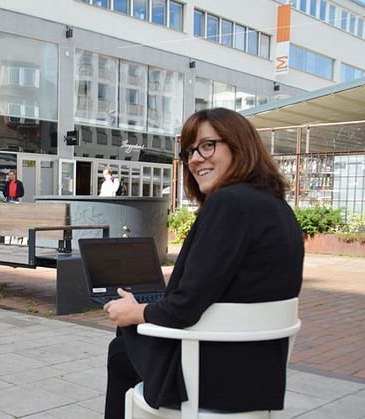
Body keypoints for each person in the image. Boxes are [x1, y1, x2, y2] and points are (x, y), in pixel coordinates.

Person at [103, 108, 304, 418]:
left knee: (120, 350)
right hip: (259, 376)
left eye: (208, 145)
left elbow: (184, 307)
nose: (195, 158)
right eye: (189, 151)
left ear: (240, 146)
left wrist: (135, 311)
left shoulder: (230, 203)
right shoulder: (277, 207)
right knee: (130, 339)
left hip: (212, 381)